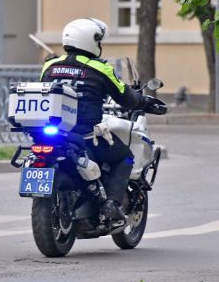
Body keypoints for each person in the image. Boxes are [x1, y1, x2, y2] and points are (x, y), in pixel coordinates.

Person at [40, 18, 154, 221]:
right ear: (90, 41)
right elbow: (126, 98)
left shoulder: (49, 66)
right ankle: (111, 204)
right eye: (99, 41)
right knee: (124, 157)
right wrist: (146, 102)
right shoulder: (100, 69)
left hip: (53, 133)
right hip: (84, 134)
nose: (100, 45)